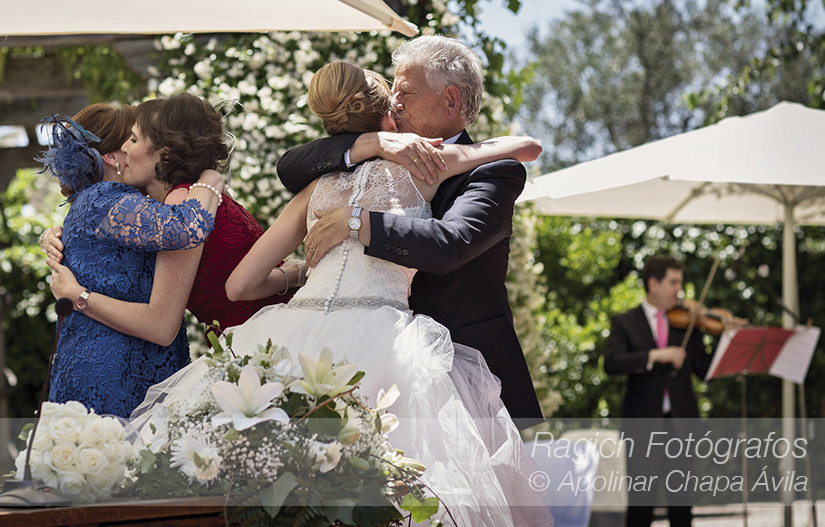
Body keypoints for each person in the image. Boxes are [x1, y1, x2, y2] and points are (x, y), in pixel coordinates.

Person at [137, 61, 551, 526]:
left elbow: (239, 285)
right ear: (386, 118)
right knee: (392, 487)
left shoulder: (314, 186)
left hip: (296, 329)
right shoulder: (424, 167)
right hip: (381, 333)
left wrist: (298, 273)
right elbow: (526, 145)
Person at [276, 35, 543, 429]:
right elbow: (290, 168)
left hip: (465, 374)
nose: (393, 102)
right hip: (375, 361)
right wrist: (371, 142)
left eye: (406, 92)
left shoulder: (492, 171)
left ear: (451, 100)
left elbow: (450, 245)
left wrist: (356, 222)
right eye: (392, 89)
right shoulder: (375, 150)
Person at [45, 94, 304, 343]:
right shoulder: (174, 207)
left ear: (163, 154)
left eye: (133, 140)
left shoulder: (181, 202)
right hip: (254, 330)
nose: (124, 150)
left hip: (261, 332)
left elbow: (162, 320)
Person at [38, 103, 226, 418]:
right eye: (133, 140)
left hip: (103, 366)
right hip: (116, 377)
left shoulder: (94, 202)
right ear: (112, 156)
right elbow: (185, 227)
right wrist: (210, 180)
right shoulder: (107, 198)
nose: (135, 148)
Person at [604, 254, 720, 527]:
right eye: (673, 282)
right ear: (653, 284)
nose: (679, 290)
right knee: (640, 510)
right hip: (643, 430)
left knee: (682, 510)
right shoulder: (626, 322)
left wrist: (726, 340)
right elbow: (611, 363)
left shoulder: (687, 322)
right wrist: (656, 355)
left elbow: (704, 369)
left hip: (681, 426)